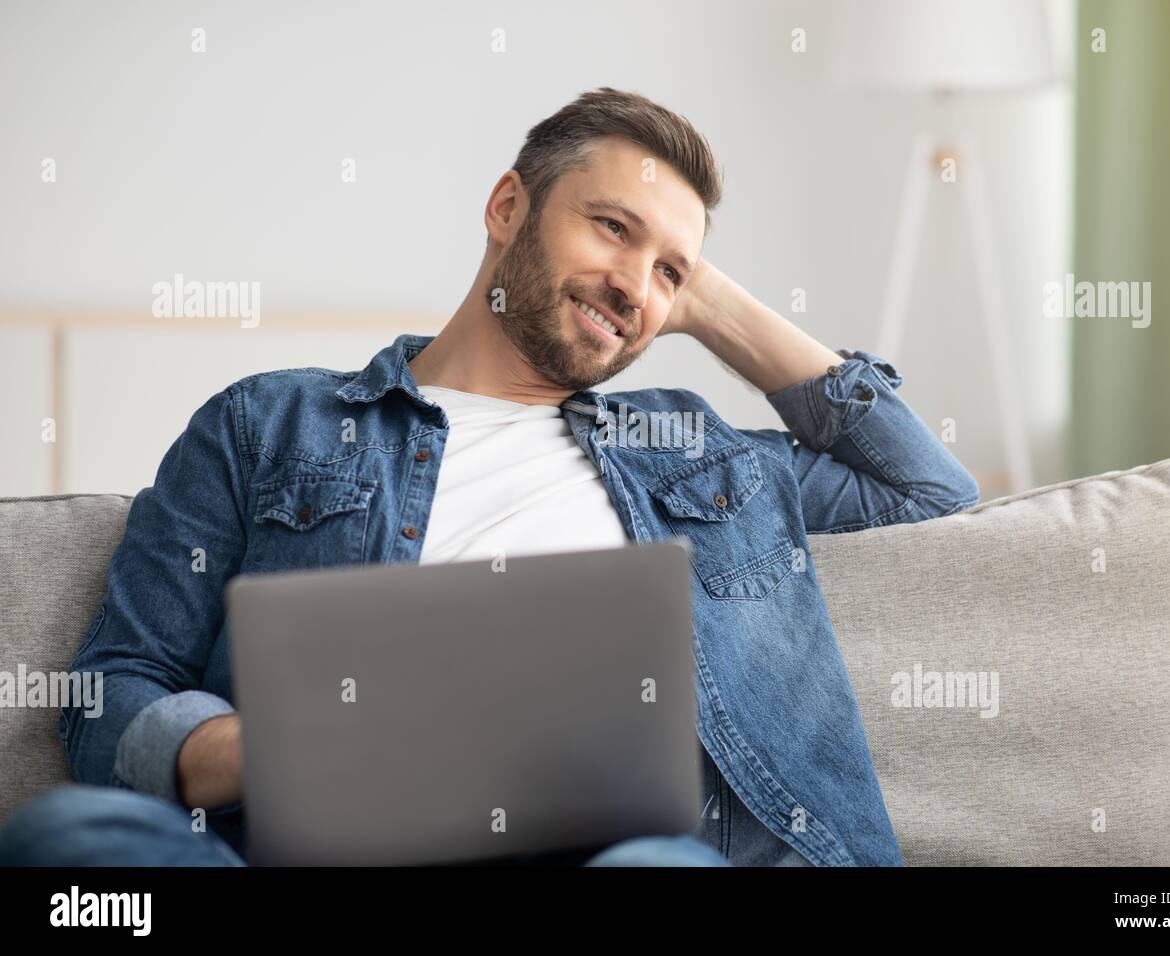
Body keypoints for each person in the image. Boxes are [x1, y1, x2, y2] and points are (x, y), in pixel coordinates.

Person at [0, 87, 978, 867]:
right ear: (507, 206)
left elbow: (929, 494)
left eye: (669, 272)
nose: (636, 283)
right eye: (609, 226)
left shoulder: (696, 450)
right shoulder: (267, 424)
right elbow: (108, 693)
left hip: (620, 855)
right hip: (320, 844)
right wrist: (277, 749)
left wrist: (698, 293)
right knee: (69, 845)